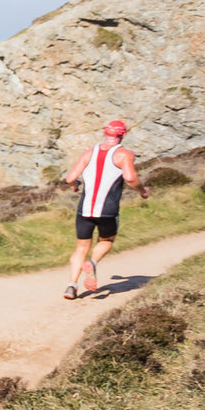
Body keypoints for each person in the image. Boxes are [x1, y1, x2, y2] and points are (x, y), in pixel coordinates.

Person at [61, 118, 149, 300]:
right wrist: (143, 191)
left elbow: (70, 179)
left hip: (84, 210)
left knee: (81, 248)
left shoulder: (88, 153)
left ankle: (71, 286)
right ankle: (92, 263)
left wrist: (76, 184)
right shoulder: (124, 154)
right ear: (123, 135)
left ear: (105, 133)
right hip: (107, 210)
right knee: (107, 241)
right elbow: (130, 178)